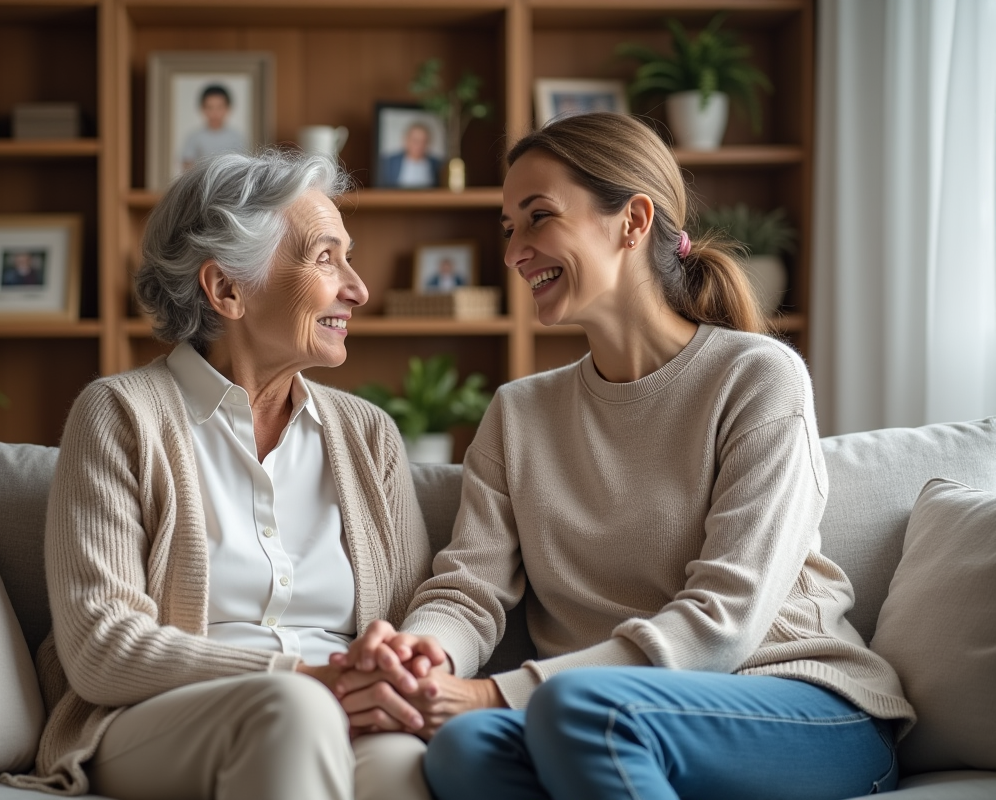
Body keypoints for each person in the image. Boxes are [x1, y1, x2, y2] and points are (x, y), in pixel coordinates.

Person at [331, 112, 915, 799]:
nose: (516, 250)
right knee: (463, 751)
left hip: (805, 707)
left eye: (538, 216)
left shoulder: (757, 378)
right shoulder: (519, 414)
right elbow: (469, 589)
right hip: (604, 719)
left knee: (573, 712)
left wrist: (495, 692)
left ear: (633, 221)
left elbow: (725, 619)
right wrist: (423, 657)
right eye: (507, 227)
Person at [1, 150, 434, 800]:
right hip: (158, 718)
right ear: (227, 288)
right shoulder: (121, 416)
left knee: (412, 761)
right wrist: (299, 675)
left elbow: (404, 616)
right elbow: (100, 648)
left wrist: (382, 673)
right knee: (294, 713)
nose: (357, 288)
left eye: (350, 257)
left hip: (341, 706)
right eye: (325, 258)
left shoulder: (369, 436)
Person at [179, 84, 248, 172]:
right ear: (202, 108)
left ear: (227, 108)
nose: (215, 113)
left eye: (219, 107)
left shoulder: (236, 137)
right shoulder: (194, 137)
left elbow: (242, 166)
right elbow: (187, 166)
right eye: (210, 107)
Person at [381, 121, 441, 188]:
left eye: (424, 141)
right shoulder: (389, 162)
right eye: (415, 141)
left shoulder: (437, 164)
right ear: (406, 140)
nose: (419, 145)